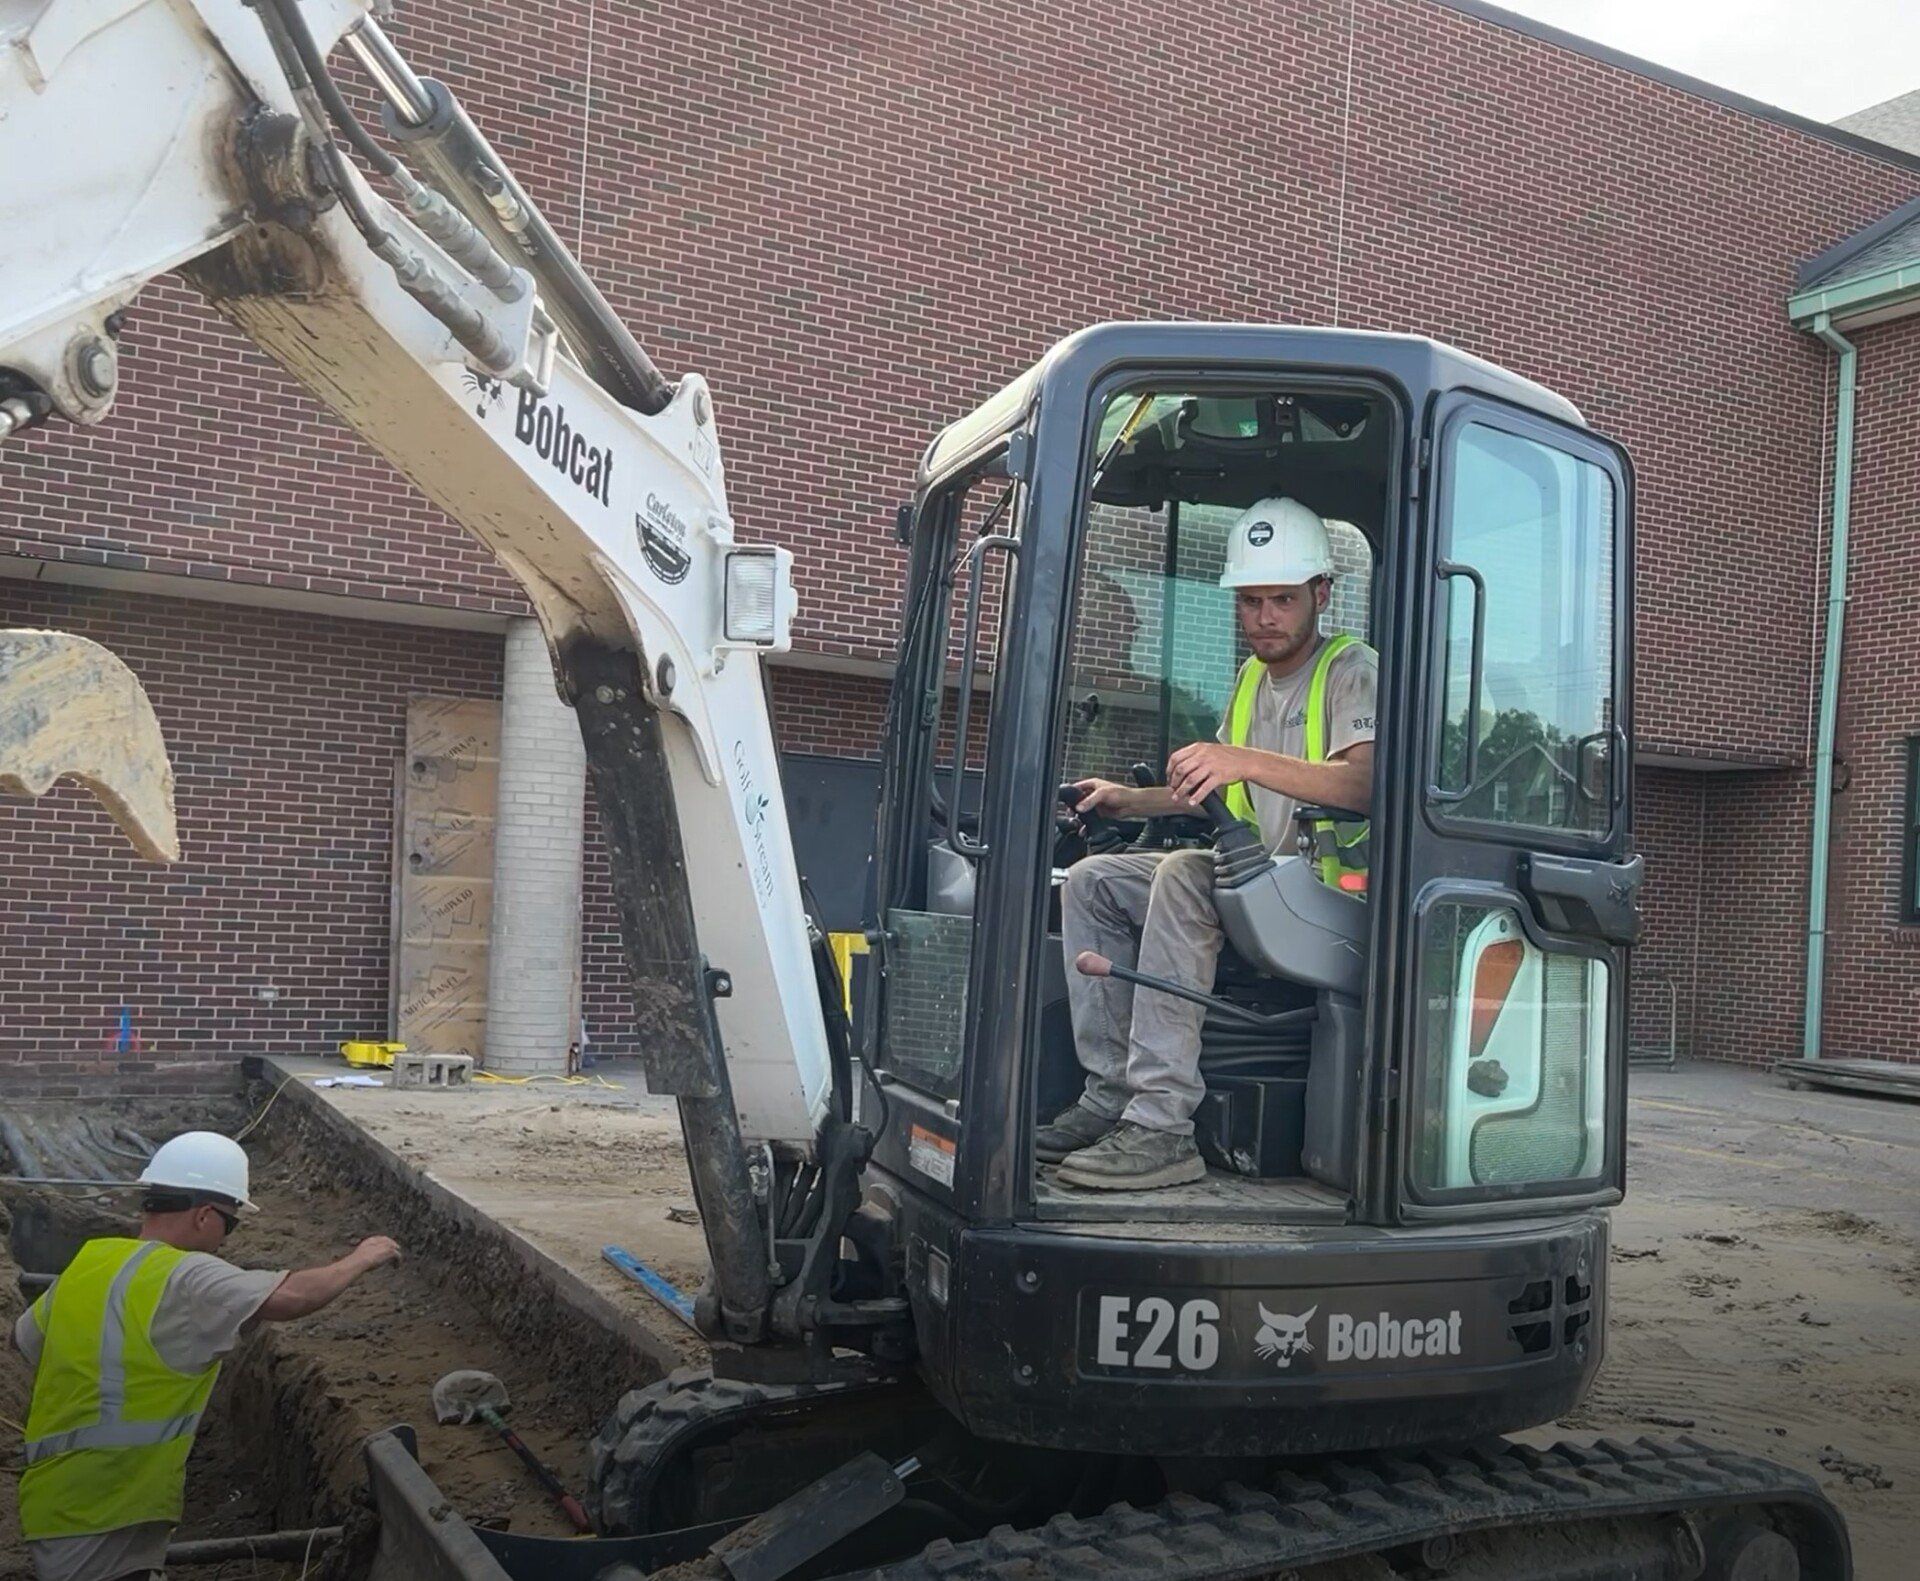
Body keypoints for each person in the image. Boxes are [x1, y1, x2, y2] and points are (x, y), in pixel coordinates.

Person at [1042, 497, 1377, 1190]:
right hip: (1269, 888)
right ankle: (1112, 1096)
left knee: (1186, 876)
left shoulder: (1353, 669)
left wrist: (1244, 761)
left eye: (1282, 598)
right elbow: (1218, 785)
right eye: (1251, 600)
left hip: (1341, 903)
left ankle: (1163, 1126)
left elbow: (1364, 786)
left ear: (1322, 593)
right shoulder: (1253, 678)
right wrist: (1127, 797)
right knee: (1094, 880)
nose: (1265, 616)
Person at [10, 1131, 402, 1581]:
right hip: (107, 1504)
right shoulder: (186, 1275)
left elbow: (22, 1344)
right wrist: (361, 1259)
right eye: (230, 1223)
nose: (226, 1238)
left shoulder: (92, 1261)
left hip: (57, 1498)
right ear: (203, 1216)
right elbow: (291, 1296)